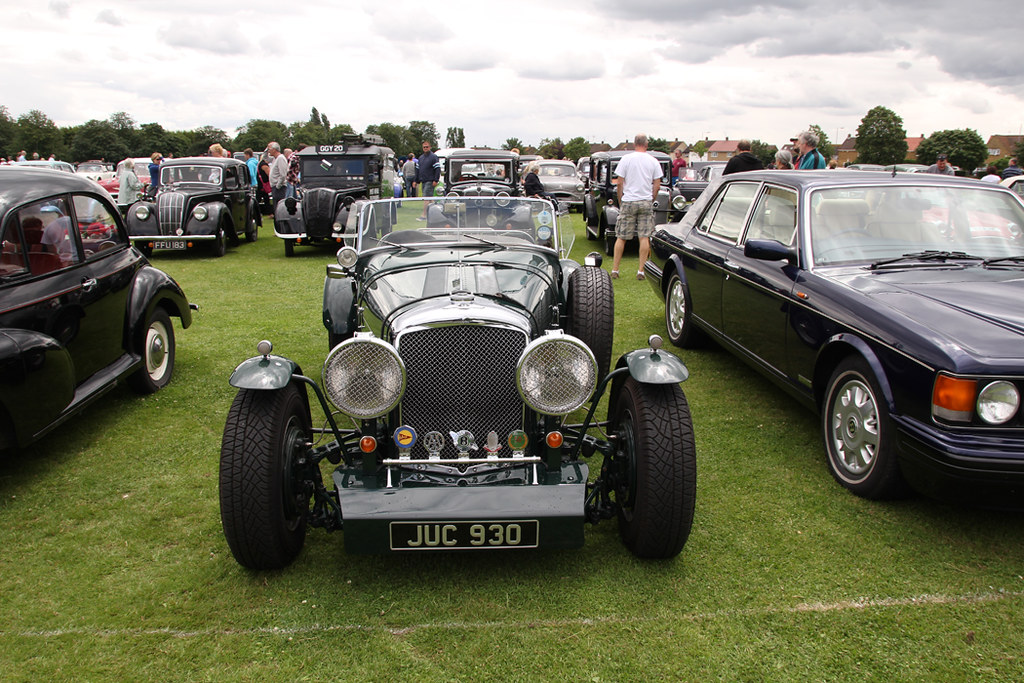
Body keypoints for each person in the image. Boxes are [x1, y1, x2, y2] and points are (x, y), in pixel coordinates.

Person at [611, 134, 662, 281]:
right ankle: (641, 271)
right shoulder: (653, 161)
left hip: (628, 200)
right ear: (646, 145)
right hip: (645, 200)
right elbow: (657, 185)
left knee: (621, 236)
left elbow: (619, 183)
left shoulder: (626, 159)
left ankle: (615, 269)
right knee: (644, 236)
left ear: (635, 144)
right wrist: (651, 199)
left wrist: (621, 200)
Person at [416, 141, 440, 219]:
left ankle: (424, 215)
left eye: (427, 147)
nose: (425, 148)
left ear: (430, 147)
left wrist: (436, 180)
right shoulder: (421, 158)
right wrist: (416, 180)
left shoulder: (434, 157)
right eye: (424, 147)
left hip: (430, 180)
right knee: (430, 199)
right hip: (423, 180)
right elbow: (418, 169)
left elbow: (437, 169)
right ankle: (435, 213)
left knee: (426, 198)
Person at [267, 142, 289, 207]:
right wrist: (266, 149)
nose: (268, 151)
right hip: (275, 186)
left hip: (279, 188)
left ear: (274, 149)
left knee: (278, 206)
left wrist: (278, 186)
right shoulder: (275, 158)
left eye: (269, 149)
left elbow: (283, 174)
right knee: (275, 206)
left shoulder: (280, 158)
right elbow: (265, 158)